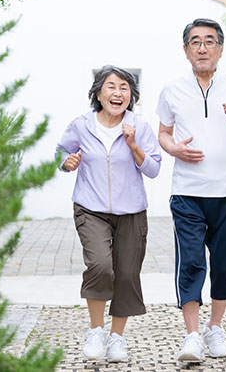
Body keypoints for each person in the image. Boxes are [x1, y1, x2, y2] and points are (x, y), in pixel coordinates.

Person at [156, 18, 226, 362]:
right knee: (189, 262)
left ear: (220, 47)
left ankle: (215, 328)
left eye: (209, 41)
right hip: (187, 191)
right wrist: (174, 149)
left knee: (223, 265)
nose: (202, 48)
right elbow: (163, 134)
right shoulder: (172, 88)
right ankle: (191, 336)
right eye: (195, 42)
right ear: (186, 50)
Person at [56, 65, 161, 362]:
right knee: (101, 266)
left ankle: (116, 338)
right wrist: (68, 162)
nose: (118, 93)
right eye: (112, 86)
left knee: (127, 274)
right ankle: (95, 331)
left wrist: (133, 145)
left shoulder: (139, 126)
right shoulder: (81, 125)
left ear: (132, 96)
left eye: (125, 88)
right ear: (99, 93)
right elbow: (60, 152)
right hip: (91, 209)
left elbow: (153, 169)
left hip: (132, 212)